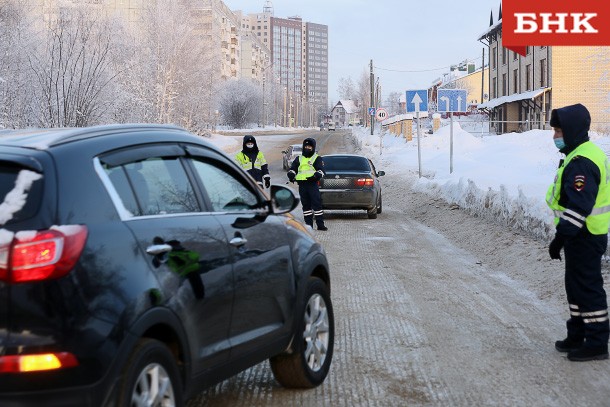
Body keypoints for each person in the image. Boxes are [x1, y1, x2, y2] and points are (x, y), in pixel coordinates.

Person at [546, 103, 610, 361]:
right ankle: (578, 333)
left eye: (559, 132)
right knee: (575, 286)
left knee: (588, 287)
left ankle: (596, 342)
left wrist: (560, 238)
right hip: (579, 236)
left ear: (571, 131)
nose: (555, 137)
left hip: (585, 235)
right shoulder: (577, 154)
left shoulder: (582, 162)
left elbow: (578, 207)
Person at [287, 137, 328, 231]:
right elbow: (293, 169)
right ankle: (308, 225)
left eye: (310, 146)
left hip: (312, 184)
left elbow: (322, 171)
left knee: (317, 204)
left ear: (313, 147)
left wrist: (317, 175)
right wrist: (291, 174)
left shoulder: (317, 158)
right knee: (306, 206)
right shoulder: (299, 158)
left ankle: (320, 224)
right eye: (306, 146)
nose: (307, 148)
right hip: (302, 185)